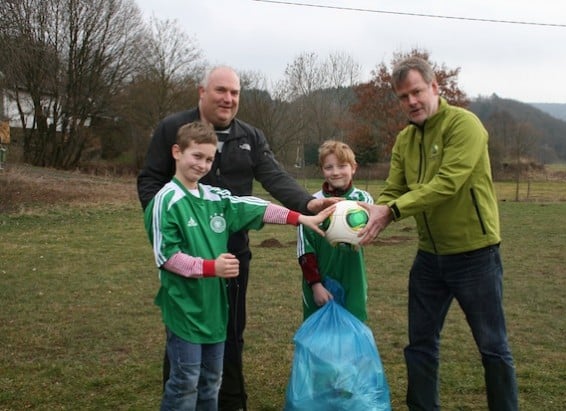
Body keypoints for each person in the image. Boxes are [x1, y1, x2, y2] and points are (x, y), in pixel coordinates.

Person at [137, 65, 336, 411]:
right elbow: (150, 182)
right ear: (202, 92)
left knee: (229, 330)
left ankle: (230, 401)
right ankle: (181, 392)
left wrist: (307, 205)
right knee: (184, 337)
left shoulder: (251, 137)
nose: (228, 99)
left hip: (232, 254)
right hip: (186, 254)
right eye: (220, 91)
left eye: (235, 92)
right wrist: (170, 224)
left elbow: (268, 185)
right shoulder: (173, 129)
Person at [358, 56, 519, 410]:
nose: (411, 102)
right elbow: (394, 188)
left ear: (434, 87)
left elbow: (447, 184)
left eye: (416, 92)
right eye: (403, 97)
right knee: (420, 345)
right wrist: (374, 211)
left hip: (476, 255)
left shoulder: (466, 125)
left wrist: (392, 211)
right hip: (429, 258)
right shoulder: (404, 139)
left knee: (492, 346)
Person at [297, 140, 373, 321]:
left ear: (354, 168)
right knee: (320, 337)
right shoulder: (312, 203)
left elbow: (369, 232)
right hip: (319, 277)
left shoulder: (363, 199)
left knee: (353, 327)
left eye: (342, 166)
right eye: (329, 167)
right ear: (322, 170)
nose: (336, 172)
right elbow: (304, 250)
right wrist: (315, 284)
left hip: (352, 276)